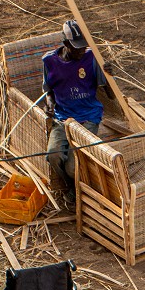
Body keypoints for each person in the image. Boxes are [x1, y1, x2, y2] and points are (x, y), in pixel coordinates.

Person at [42, 19, 113, 210]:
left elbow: (110, 95)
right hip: (63, 117)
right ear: (65, 44)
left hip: (88, 115)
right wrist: (49, 104)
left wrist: (109, 77)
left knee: (74, 166)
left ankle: (76, 191)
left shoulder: (91, 58)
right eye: (77, 48)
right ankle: (70, 187)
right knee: (53, 155)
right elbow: (49, 91)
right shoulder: (49, 62)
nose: (82, 51)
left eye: (84, 47)